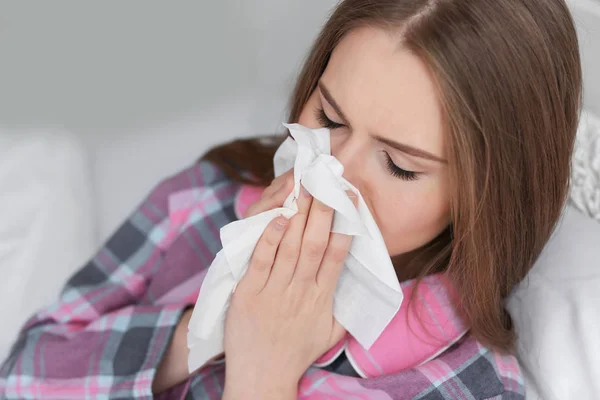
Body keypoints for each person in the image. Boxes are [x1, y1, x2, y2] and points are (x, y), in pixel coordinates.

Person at [0, 0, 582, 398]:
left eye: (400, 165)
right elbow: (21, 374)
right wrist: (213, 326)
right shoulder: (206, 198)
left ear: (486, 198)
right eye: (328, 117)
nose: (332, 170)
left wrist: (264, 372)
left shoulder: (466, 381)